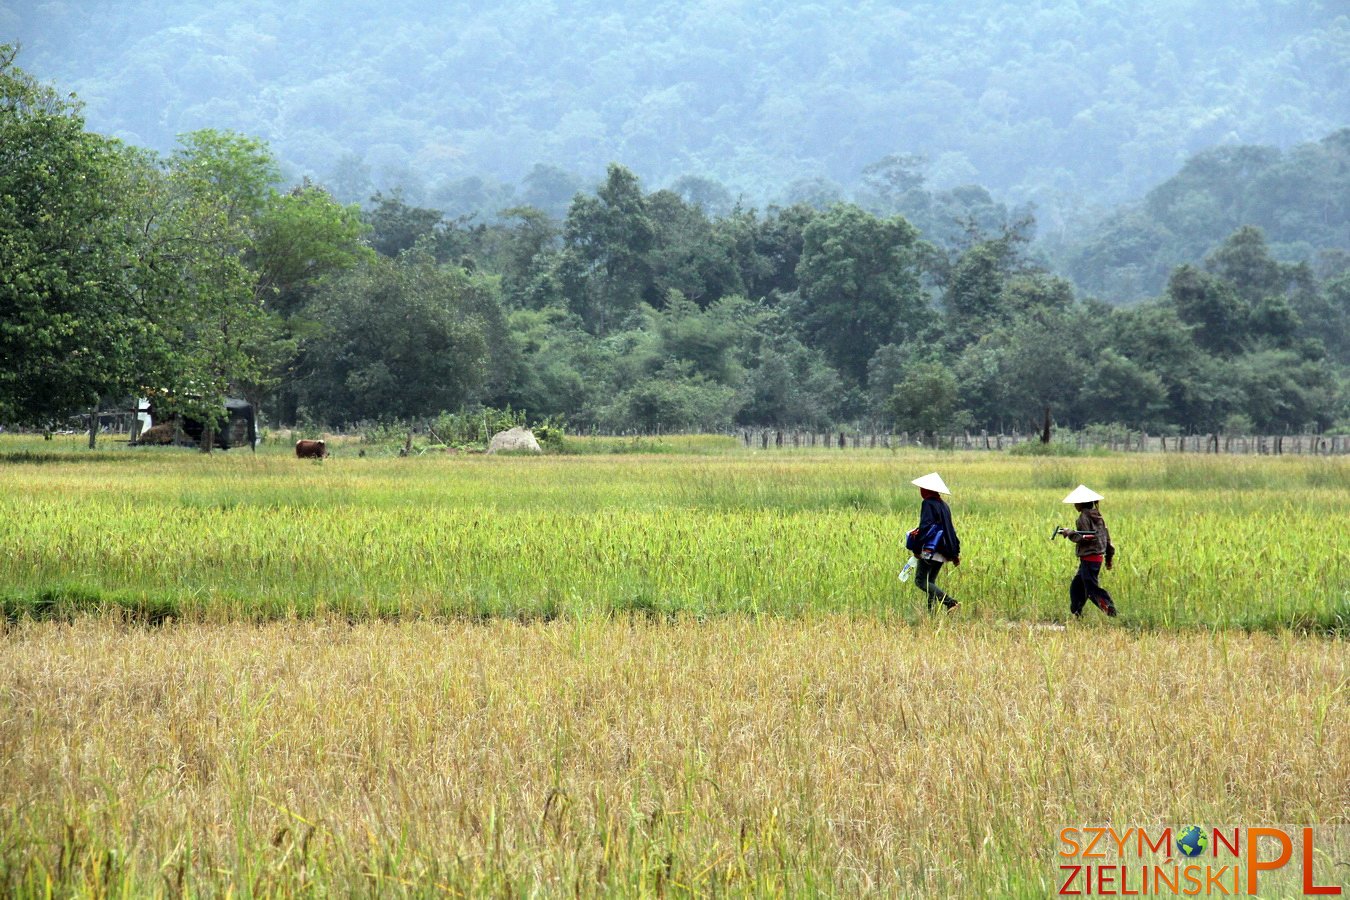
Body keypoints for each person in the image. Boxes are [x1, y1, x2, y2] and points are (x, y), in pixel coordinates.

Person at [1057, 484, 1117, 617]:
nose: (1074, 505)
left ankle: (1110, 610)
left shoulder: (1083, 518)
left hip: (1089, 559)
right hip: (1096, 558)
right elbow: (1107, 539)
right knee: (1077, 586)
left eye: (1076, 503)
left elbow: (1085, 538)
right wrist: (1109, 558)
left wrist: (1070, 533)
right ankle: (1077, 612)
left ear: (1081, 504)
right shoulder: (1099, 517)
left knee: (1091, 589)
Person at [908, 472, 961, 611]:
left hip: (931, 550)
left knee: (920, 581)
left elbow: (925, 528)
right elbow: (950, 530)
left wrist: (917, 549)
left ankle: (950, 602)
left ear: (926, 490)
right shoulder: (944, 505)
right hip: (944, 551)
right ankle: (930, 613)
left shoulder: (927, 503)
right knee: (930, 582)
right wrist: (955, 554)